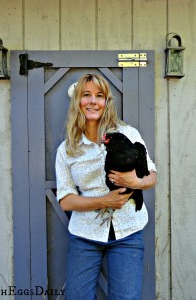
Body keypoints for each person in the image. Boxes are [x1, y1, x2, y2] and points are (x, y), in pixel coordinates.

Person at [55, 73, 157, 300]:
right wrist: (104, 201)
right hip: (84, 236)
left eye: (99, 96)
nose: (93, 101)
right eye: (86, 95)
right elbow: (66, 200)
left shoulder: (128, 134)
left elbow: (152, 175)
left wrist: (136, 182)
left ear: (106, 102)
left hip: (128, 233)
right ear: (78, 102)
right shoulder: (67, 150)